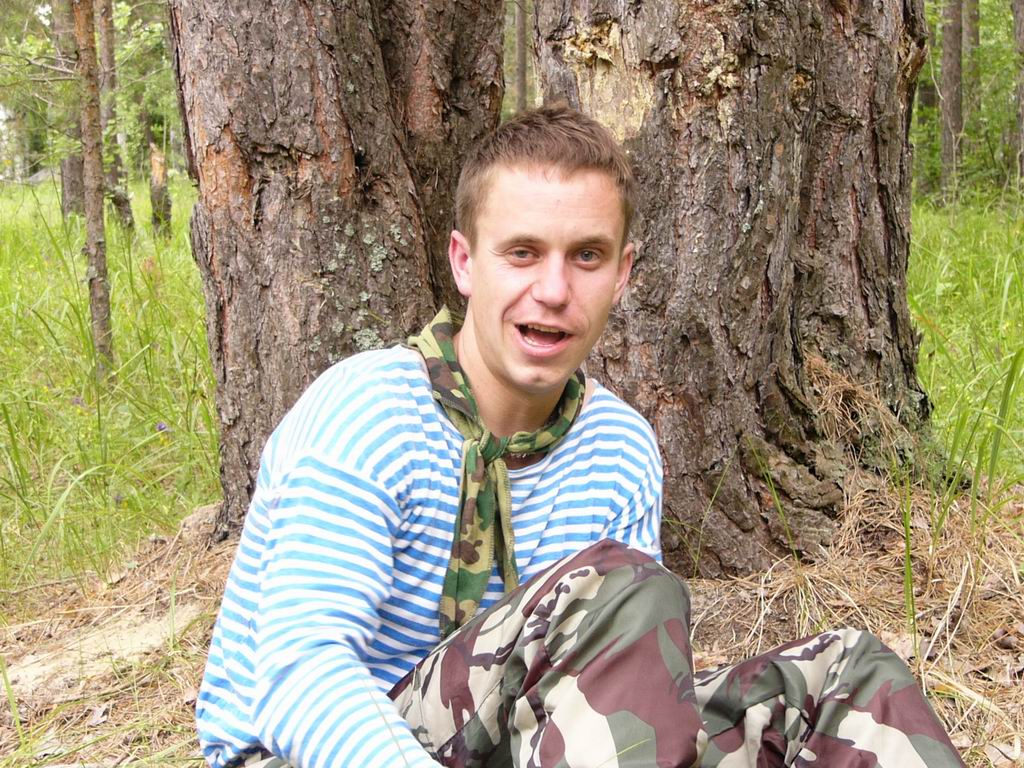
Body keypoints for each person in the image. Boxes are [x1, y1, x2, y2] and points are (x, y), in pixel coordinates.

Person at [196, 105, 965, 768]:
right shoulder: (368, 411)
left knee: (845, 681)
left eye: (586, 257)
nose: (554, 290)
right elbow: (297, 673)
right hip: (321, 749)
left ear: (622, 274)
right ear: (465, 263)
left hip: (528, 742)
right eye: (522, 252)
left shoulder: (618, 449)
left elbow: (621, 697)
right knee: (615, 588)